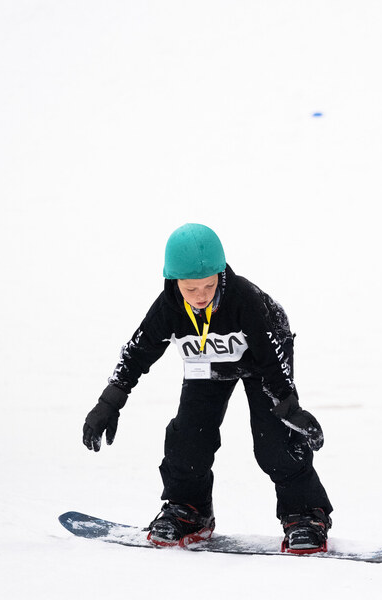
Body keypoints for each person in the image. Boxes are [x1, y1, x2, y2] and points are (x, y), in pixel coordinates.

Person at [82, 223, 333, 552]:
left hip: (263, 363)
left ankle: (305, 515)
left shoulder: (246, 301)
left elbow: (272, 363)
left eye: (209, 285)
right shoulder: (168, 309)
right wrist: (109, 403)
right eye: (190, 289)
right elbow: (136, 354)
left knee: (273, 445)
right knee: (188, 438)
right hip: (208, 363)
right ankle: (190, 511)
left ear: (220, 275)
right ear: (174, 282)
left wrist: (290, 408)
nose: (200, 296)